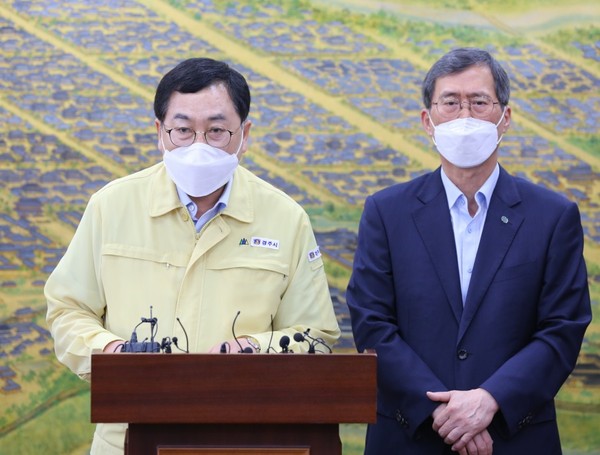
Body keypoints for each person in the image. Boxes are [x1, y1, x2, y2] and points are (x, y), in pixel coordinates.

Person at [45, 57, 341, 454]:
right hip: (128, 437)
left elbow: (315, 335)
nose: (199, 146)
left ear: (244, 134)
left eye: (217, 131)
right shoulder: (111, 206)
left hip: (245, 440)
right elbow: (68, 309)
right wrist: (114, 354)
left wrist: (254, 349)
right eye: (183, 130)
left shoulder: (286, 218)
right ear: (160, 132)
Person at [346, 47, 591, 454]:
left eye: (479, 102)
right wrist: (445, 413)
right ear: (428, 120)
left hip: (512, 436)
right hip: (411, 436)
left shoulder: (553, 216)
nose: (464, 116)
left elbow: (562, 328)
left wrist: (490, 400)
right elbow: (372, 324)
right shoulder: (386, 212)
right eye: (450, 102)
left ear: (504, 119)